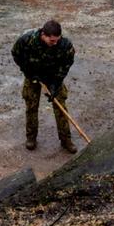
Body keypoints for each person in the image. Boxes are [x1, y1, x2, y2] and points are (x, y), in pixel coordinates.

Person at [11, 20, 77, 153]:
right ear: (43, 35)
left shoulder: (65, 45)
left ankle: (66, 140)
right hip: (33, 75)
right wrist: (27, 71)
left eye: (57, 40)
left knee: (60, 106)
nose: (55, 43)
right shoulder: (27, 39)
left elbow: (67, 64)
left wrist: (56, 83)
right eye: (52, 40)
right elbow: (16, 53)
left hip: (53, 77)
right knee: (31, 106)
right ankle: (31, 138)